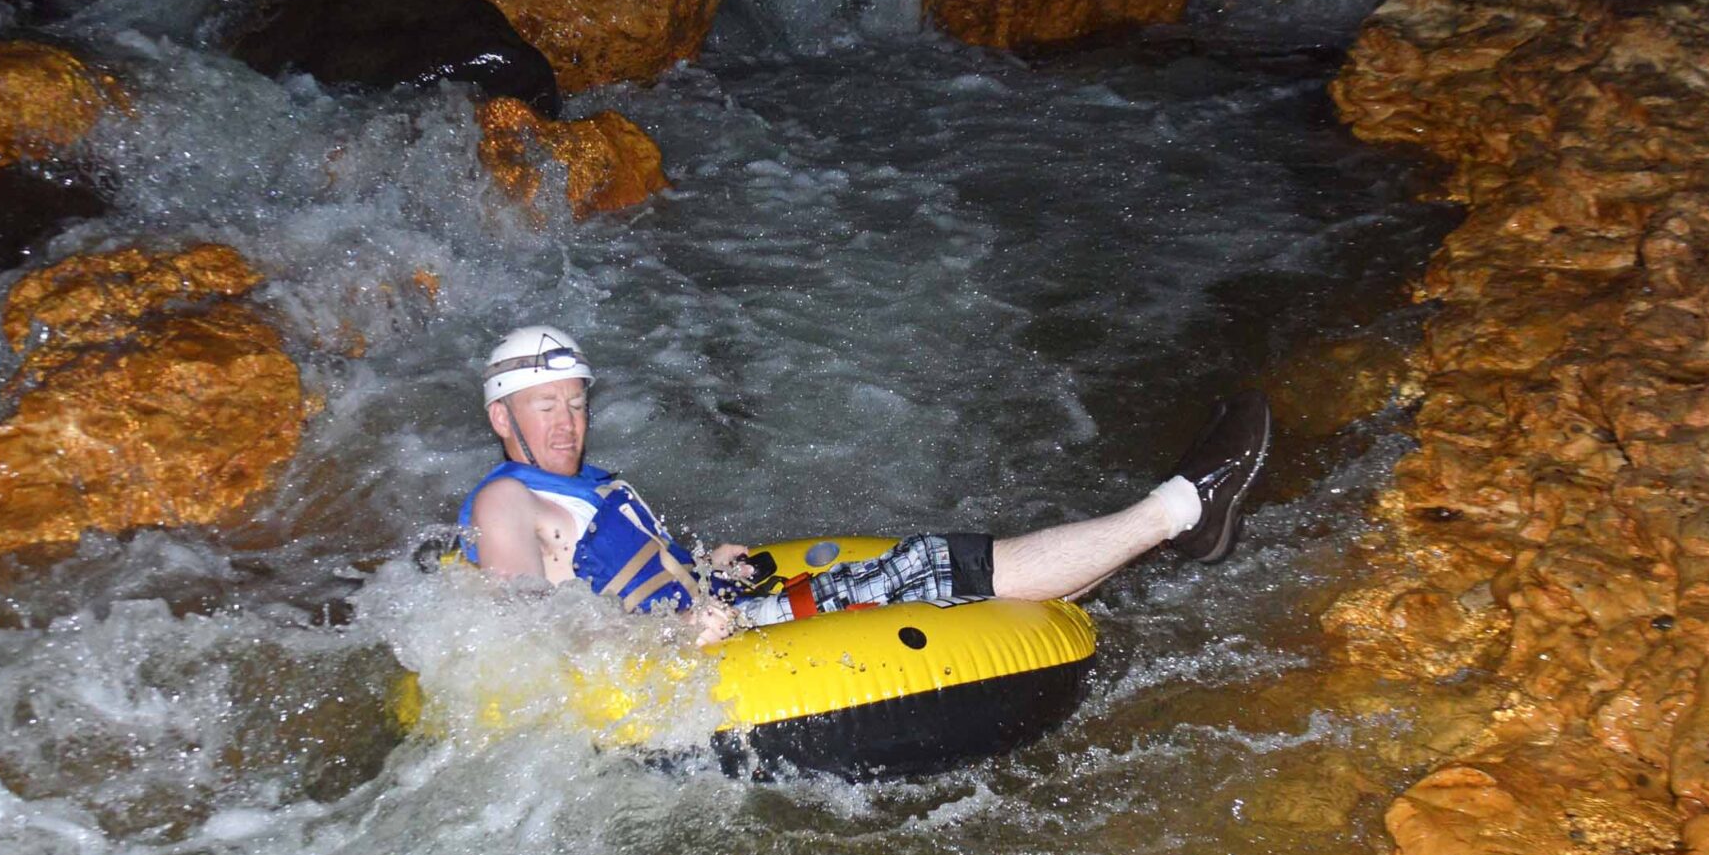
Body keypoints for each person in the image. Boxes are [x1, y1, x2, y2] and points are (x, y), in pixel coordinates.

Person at [457, 325, 1272, 643]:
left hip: (715, 616)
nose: (565, 422)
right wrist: (670, 636)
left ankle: (1178, 517)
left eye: (573, 402)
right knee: (931, 568)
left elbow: (610, 576)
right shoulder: (506, 500)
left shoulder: (589, 481)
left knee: (929, 568)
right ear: (503, 419)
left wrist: (704, 564)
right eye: (543, 406)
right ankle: (1182, 508)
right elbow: (525, 640)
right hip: (692, 656)